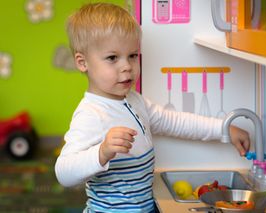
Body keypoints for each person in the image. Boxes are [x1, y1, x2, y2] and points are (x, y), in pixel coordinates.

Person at [55, 3, 250, 213]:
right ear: (82, 62)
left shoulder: (134, 100)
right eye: (112, 58)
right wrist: (101, 153)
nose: (127, 66)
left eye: (132, 55)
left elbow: (175, 122)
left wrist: (225, 128)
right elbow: (63, 173)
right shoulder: (91, 114)